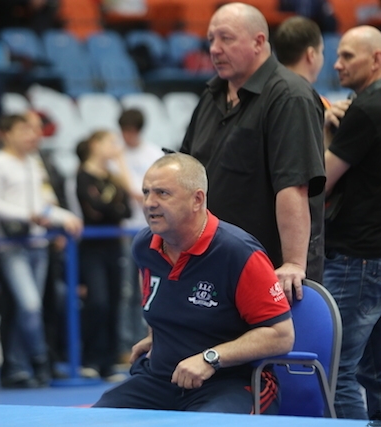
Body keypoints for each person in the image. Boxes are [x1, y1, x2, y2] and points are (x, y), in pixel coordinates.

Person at [94, 153, 294, 413]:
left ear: (197, 200)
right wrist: (158, 336)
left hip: (231, 382)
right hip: (160, 380)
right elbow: (163, 299)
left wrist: (211, 358)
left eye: (163, 193)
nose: (149, 203)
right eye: (146, 192)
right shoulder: (144, 246)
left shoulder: (238, 253)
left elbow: (281, 335)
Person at [181, 2, 325, 301]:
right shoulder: (211, 96)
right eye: (211, 39)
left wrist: (293, 263)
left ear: (259, 42)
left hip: (268, 274)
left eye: (226, 38)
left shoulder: (289, 96)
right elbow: (188, 173)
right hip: (211, 267)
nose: (215, 49)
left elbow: (294, 185)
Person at [322, 25, 381, 419]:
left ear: (376, 59)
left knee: (335, 370)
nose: (337, 64)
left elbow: (318, 182)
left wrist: (326, 133)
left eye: (347, 56)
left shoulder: (365, 109)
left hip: (358, 258)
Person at [0, 114, 81, 388]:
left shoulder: (33, 163)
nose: (32, 135)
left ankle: (17, 367)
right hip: (11, 245)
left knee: (25, 310)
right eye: (23, 130)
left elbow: (43, 204)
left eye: (32, 131)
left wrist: (65, 217)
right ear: (7, 133)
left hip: (38, 245)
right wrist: (27, 215)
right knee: (29, 305)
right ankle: (39, 360)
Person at [271, 15, 327, 283]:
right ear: (311, 54)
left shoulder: (269, 93)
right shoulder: (299, 97)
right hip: (292, 248)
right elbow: (299, 180)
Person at [75, 130, 132, 382]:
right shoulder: (83, 175)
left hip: (114, 246)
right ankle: (91, 359)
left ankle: (109, 361)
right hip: (91, 247)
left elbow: (126, 209)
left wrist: (120, 166)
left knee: (115, 301)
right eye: (109, 142)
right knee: (97, 302)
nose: (115, 147)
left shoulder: (113, 177)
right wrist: (113, 207)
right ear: (95, 144)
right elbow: (95, 210)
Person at [119, 108, 162, 355]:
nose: (127, 136)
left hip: (149, 229)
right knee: (126, 290)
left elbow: (140, 194)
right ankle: (126, 343)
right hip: (125, 230)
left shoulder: (153, 155)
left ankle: (148, 339)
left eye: (131, 131)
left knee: (148, 288)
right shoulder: (117, 155)